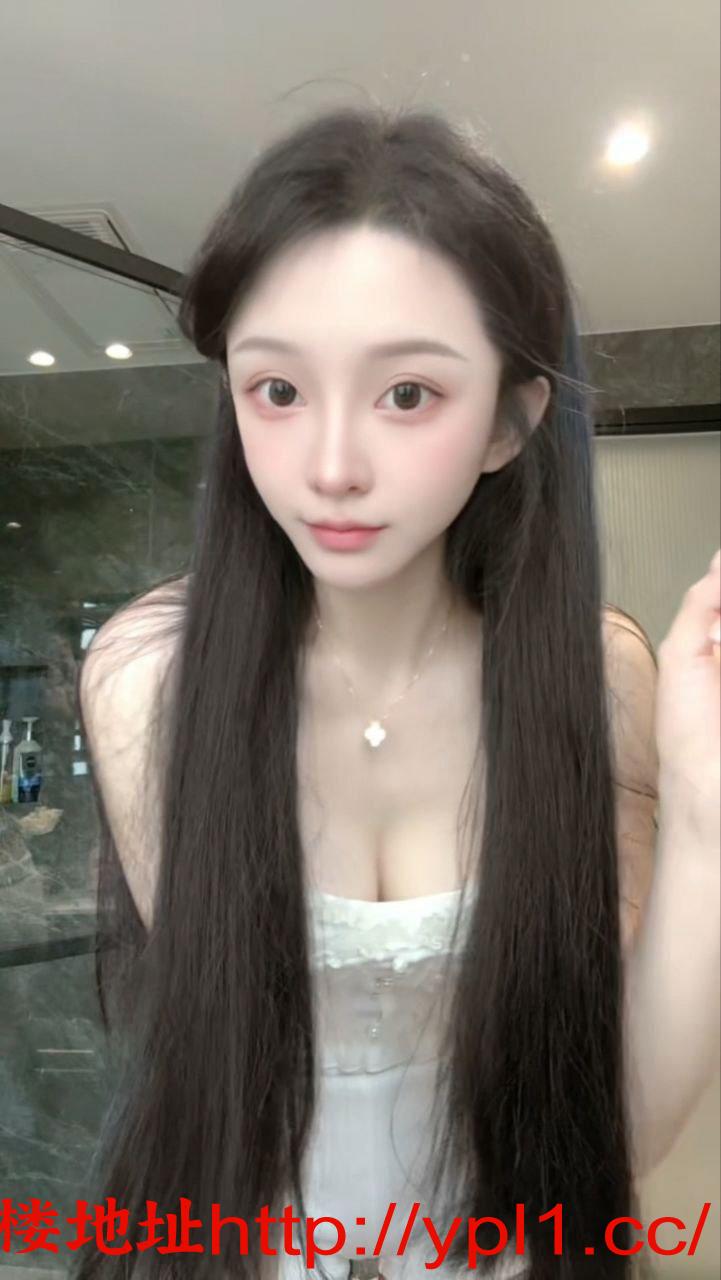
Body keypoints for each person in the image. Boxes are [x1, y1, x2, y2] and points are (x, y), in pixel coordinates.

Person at [72, 105, 720, 1280]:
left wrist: (707, 814)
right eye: (277, 389)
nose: (330, 465)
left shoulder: (591, 677)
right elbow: (223, 1080)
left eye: (407, 394)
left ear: (510, 421)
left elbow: (613, 1129)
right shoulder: (149, 678)